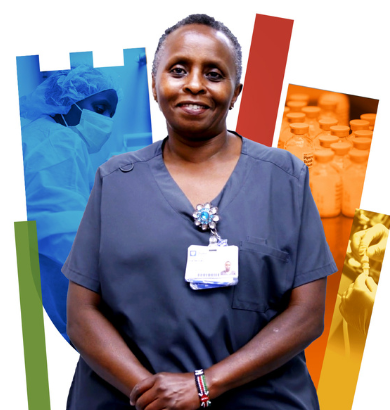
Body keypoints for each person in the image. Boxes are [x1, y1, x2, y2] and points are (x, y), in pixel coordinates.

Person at [63, 14, 336, 410]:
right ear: (155, 86)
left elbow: (308, 314)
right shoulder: (115, 179)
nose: (194, 83)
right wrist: (154, 395)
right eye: (178, 70)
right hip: (127, 399)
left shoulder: (285, 176)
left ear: (236, 90)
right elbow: (82, 314)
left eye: (213, 73)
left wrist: (203, 387)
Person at [19, 64, 120, 343]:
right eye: (99, 108)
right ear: (67, 101)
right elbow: (58, 221)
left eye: (111, 114)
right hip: (51, 268)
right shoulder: (60, 140)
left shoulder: (44, 135)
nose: (107, 121)